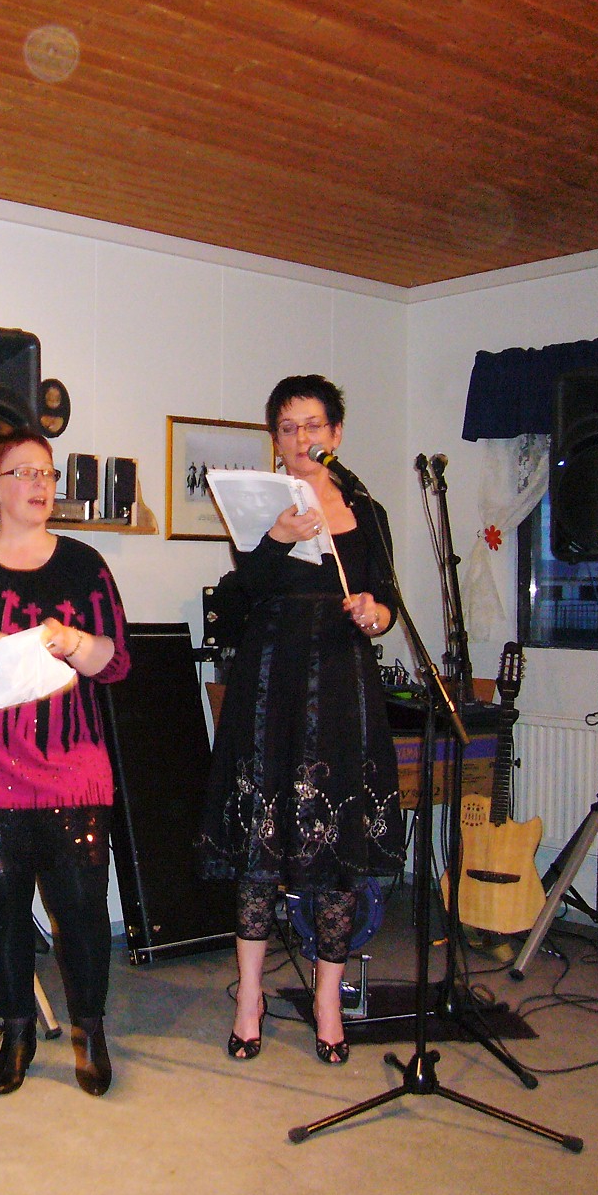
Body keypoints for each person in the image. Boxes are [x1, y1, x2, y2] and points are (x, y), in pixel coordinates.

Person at [0, 429, 131, 1096]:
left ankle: (90, 1031)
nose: (38, 484)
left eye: (46, 472)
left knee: (82, 910)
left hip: (72, 766)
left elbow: (116, 660)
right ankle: (17, 1031)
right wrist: (12, 643)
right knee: (2, 908)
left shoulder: (85, 564)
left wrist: (72, 642)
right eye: (23, 472)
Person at [197, 374, 403, 1066]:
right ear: (275, 439)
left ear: (335, 435)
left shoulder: (367, 511)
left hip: (341, 682)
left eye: (312, 426)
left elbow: (387, 600)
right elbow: (244, 590)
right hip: (271, 682)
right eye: (287, 428)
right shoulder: (262, 505)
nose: (300, 438)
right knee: (261, 844)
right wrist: (278, 538)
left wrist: (376, 614)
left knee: (336, 846)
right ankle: (249, 998)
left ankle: (327, 1001)